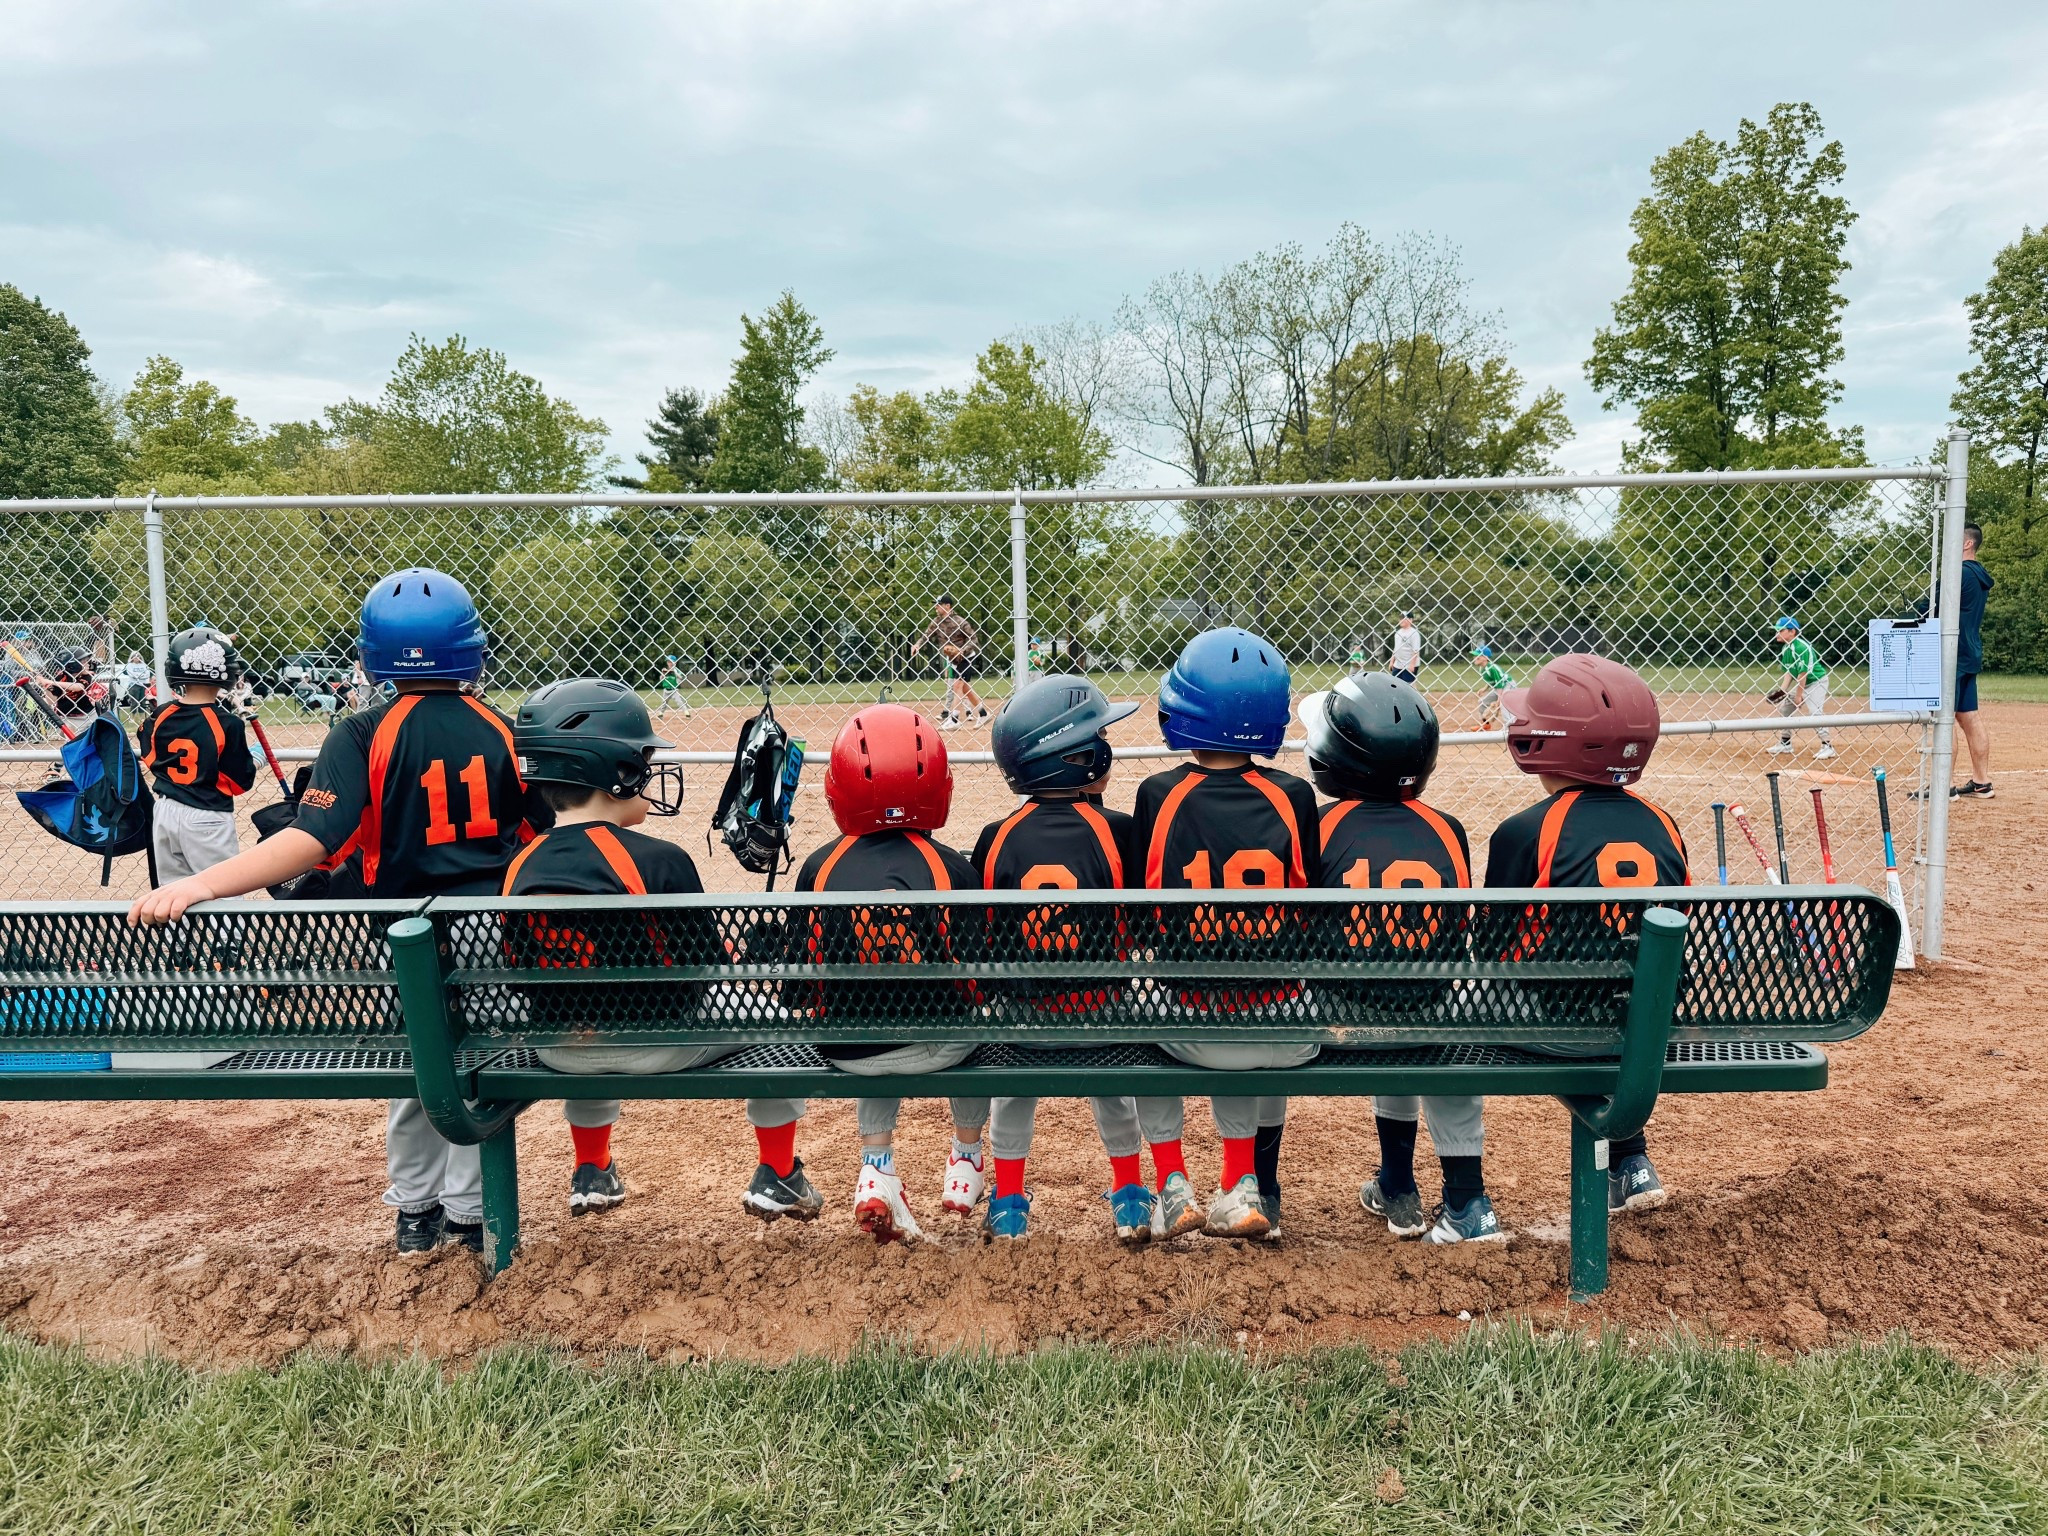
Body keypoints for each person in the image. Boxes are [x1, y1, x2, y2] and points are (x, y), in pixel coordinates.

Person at [127, 568, 553, 1257]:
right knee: (481, 1063)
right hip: (486, 927)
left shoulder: (362, 731)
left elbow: (312, 840)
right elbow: (539, 834)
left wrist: (204, 883)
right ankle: (472, 1214)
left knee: (420, 1067)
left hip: (404, 933)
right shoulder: (502, 728)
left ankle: (416, 1210)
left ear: (373, 656)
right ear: (472, 650)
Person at [498, 678, 806, 1219]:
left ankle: (591, 1168)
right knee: (775, 1018)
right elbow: (708, 971)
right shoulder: (659, 859)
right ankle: (779, 1174)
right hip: (656, 1043)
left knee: (584, 1001)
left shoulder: (517, 864)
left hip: (559, 1048)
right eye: (642, 758)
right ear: (613, 771)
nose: (649, 768)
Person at [1301, 673, 1503, 1245]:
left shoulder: (1319, 826)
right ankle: (1465, 1199)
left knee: (1381, 1001)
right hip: (1427, 1011)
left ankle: (1393, 1183)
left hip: (1339, 1018)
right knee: (1432, 1019)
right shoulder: (1448, 829)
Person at [1134, 627, 1321, 1240]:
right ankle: (1240, 1181)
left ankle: (1172, 1182)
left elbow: (1141, 913)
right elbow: (1309, 905)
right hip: (1281, 1021)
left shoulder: (1158, 794)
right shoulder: (1294, 796)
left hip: (1188, 1017)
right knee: (1246, 1008)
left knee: (1144, 1019)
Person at [1485, 654, 1688, 1216]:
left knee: (1506, 990)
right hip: (1649, 1025)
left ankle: (1623, 1158)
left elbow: (1493, 950)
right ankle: (1632, 1161)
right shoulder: (1663, 823)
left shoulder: (1525, 830)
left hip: (1561, 1026)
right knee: (1610, 992)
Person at [971, 673, 1160, 1243]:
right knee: (1114, 1084)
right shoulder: (1119, 830)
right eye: (1096, 739)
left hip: (1023, 1021)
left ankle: (1008, 1203)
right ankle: (1130, 1195)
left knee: (1011, 1087)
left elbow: (985, 939)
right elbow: (1142, 930)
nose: (1106, 746)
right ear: (1075, 758)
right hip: (1103, 1015)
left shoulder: (996, 836)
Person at [792, 703, 990, 1242]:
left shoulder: (819, 867)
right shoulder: (953, 868)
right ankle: (967, 1156)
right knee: (975, 1020)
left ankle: (875, 1167)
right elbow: (979, 982)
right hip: (943, 1044)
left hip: (848, 1049)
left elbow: (798, 988)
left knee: (865, 1020)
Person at [136, 626, 256, 881]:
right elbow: (239, 782)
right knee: (222, 890)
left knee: (173, 891)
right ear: (227, 672)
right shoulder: (228, 723)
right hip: (207, 815)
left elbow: (150, 756)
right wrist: (256, 759)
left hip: (165, 811)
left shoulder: (161, 714)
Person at [1953, 523, 1995, 797]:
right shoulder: (1979, 575)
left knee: (1943, 717)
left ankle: (1944, 787)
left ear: (1968, 543)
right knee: (1969, 716)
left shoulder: (1960, 573)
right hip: (1969, 650)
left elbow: (1929, 606)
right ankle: (1982, 781)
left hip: (1952, 653)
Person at [910, 596, 987, 729]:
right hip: (954, 660)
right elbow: (926, 635)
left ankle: (954, 720)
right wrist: (917, 645)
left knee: (957, 686)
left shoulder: (960, 621)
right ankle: (983, 713)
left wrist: (962, 650)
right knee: (965, 689)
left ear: (947, 606)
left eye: (939, 604)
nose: (936, 607)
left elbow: (974, 639)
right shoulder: (937, 622)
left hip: (966, 657)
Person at [1767, 618, 1835, 759]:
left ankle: (1827, 746)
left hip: (1817, 682)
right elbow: (1790, 673)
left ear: (1792, 631)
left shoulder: (1801, 648)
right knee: (1785, 708)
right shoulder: (1786, 648)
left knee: (1815, 712)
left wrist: (1798, 696)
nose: (1776, 634)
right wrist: (1782, 691)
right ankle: (1785, 743)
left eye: (1780, 630)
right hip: (1802, 683)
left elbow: (1802, 674)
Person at [1472, 645, 1512, 730]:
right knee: (1482, 702)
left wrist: (1499, 701)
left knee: (1503, 705)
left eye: (1478, 656)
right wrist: (1484, 689)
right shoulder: (1482, 668)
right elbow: (1492, 681)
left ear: (1485, 658)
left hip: (1508, 685)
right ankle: (1486, 724)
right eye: (1475, 656)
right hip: (1498, 687)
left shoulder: (1492, 668)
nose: (1475, 657)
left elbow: (1500, 683)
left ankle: (1509, 727)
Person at [1388, 615, 1422, 684]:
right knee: (1395, 684)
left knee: (1409, 684)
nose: (1401, 620)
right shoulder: (1398, 633)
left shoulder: (1414, 633)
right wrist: (1392, 661)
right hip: (1398, 664)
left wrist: (1412, 664)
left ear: (1410, 620)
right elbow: (1396, 648)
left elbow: (1416, 650)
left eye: (1404, 618)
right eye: (1401, 618)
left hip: (1409, 664)